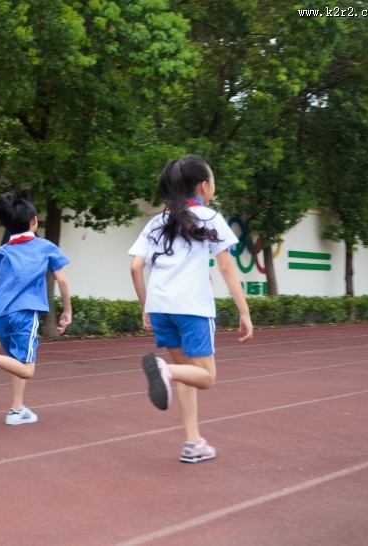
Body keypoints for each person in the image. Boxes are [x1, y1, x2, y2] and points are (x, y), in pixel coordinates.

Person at [128, 154, 253, 462]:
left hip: (160, 308)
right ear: (204, 186)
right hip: (192, 308)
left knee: (188, 375)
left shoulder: (157, 222)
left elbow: (135, 267)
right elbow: (226, 268)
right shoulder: (210, 218)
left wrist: (146, 307)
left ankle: (192, 443)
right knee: (206, 376)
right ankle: (164, 370)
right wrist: (245, 311)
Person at [0, 191, 72, 425]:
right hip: (25, 315)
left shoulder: (4, 250)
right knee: (27, 369)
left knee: (16, 360)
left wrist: (0, 301)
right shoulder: (44, 246)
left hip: (2, 316)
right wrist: (67, 311)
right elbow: (62, 280)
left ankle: (17, 409)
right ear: (33, 222)